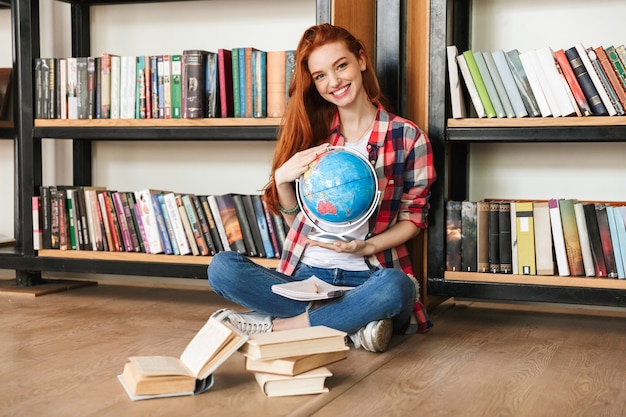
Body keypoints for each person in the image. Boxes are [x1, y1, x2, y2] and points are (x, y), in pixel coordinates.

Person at [208, 23, 436, 353]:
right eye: (320, 76)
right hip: (306, 278)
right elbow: (298, 222)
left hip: (370, 278)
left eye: (340, 66)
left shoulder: (408, 137)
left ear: (360, 60)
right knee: (222, 269)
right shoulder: (313, 133)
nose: (334, 82)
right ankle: (353, 326)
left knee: (398, 288)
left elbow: (414, 218)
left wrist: (367, 248)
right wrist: (282, 179)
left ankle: (281, 328)